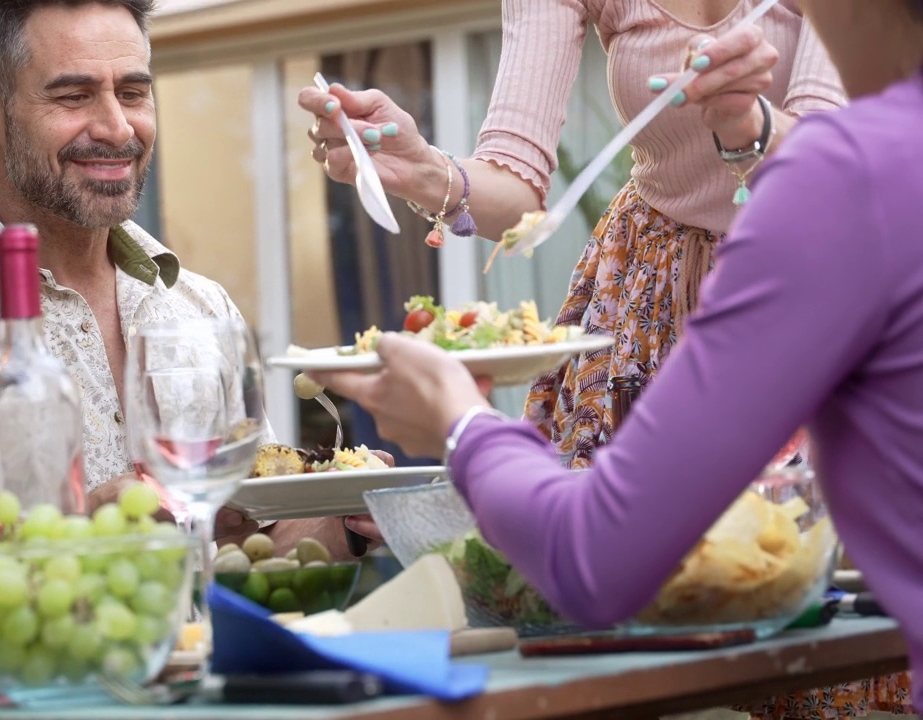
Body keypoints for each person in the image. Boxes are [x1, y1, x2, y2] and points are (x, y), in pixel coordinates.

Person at [308, 0, 923, 715]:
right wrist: (427, 172)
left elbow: (593, 556)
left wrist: (460, 422)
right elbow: (515, 178)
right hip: (662, 298)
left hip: (787, 266)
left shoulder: (851, 179)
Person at [0, 0, 380, 635]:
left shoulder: (201, 307)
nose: (115, 127)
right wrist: (71, 543)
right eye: (73, 96)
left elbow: (246, 552)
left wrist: (347, 521)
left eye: (133, 92)